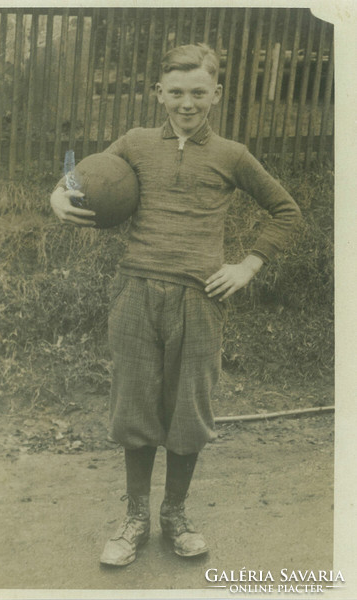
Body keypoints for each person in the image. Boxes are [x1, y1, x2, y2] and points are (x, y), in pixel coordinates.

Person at [50, 44, 301, 567]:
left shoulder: (232, 154)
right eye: (176, 93)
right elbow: (79, 171)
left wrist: (247, 265)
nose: (187, 104)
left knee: (189, 409)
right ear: (158, 93)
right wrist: (59, 193)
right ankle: (136, 516)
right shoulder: (136, 143)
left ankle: (175, 514)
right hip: (136, 292)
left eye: (198, 93)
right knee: (135, 407)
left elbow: (286, 211)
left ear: (216, 94)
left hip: (200, 298)